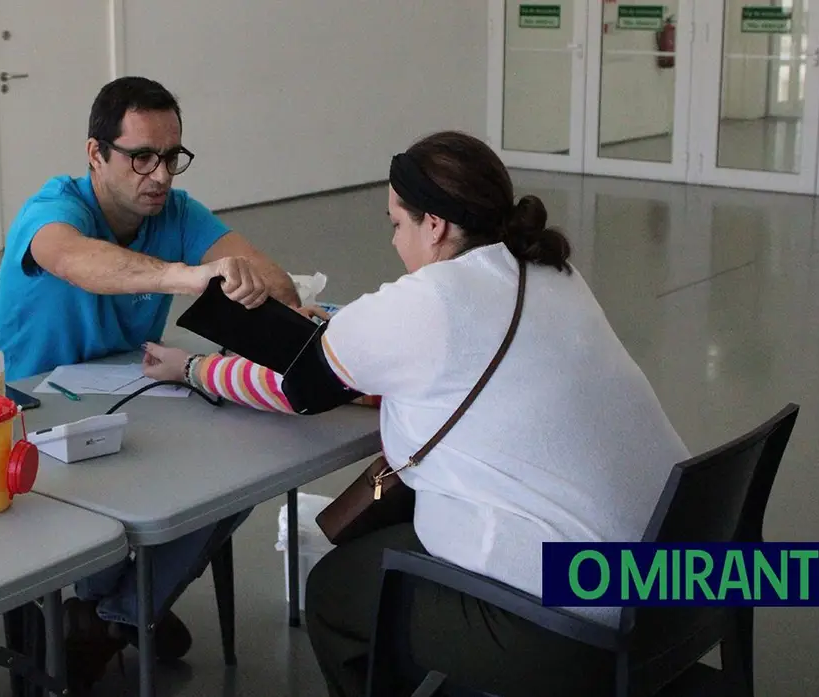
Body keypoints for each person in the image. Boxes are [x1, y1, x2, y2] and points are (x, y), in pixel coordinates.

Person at [142, 131, 691, 697]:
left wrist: (192, 369)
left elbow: (296, 387)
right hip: (677, 584)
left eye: (396, 224)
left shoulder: (427, 301)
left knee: (335, 593)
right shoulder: (549, 269)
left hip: (578, 622)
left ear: (436, 226)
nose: (395, 242)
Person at [0, 76, 300, 687]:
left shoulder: (176, 213)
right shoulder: (54, 209)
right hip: (36, 413)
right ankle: (125, 609)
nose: (159, 175)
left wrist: (270, 288)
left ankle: (112, 613)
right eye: (140, 158)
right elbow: (78, 261)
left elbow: (264, 270)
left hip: (131, 398)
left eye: (171, 157)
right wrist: (186, 276)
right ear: (95, 154)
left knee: (243, 478)